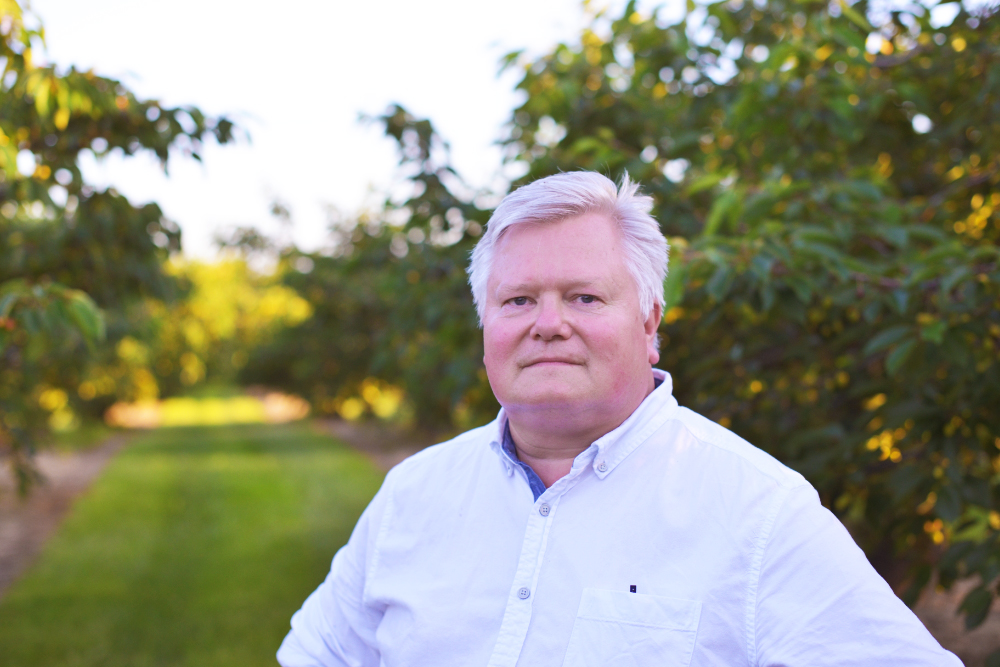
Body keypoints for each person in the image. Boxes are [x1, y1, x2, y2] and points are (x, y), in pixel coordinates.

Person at [277, 172, 960, 666]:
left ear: (649, 322)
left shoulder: (759, 512)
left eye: (583, 296)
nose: (549, 324)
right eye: (518, 300)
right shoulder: (414, 494)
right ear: (486, 325)